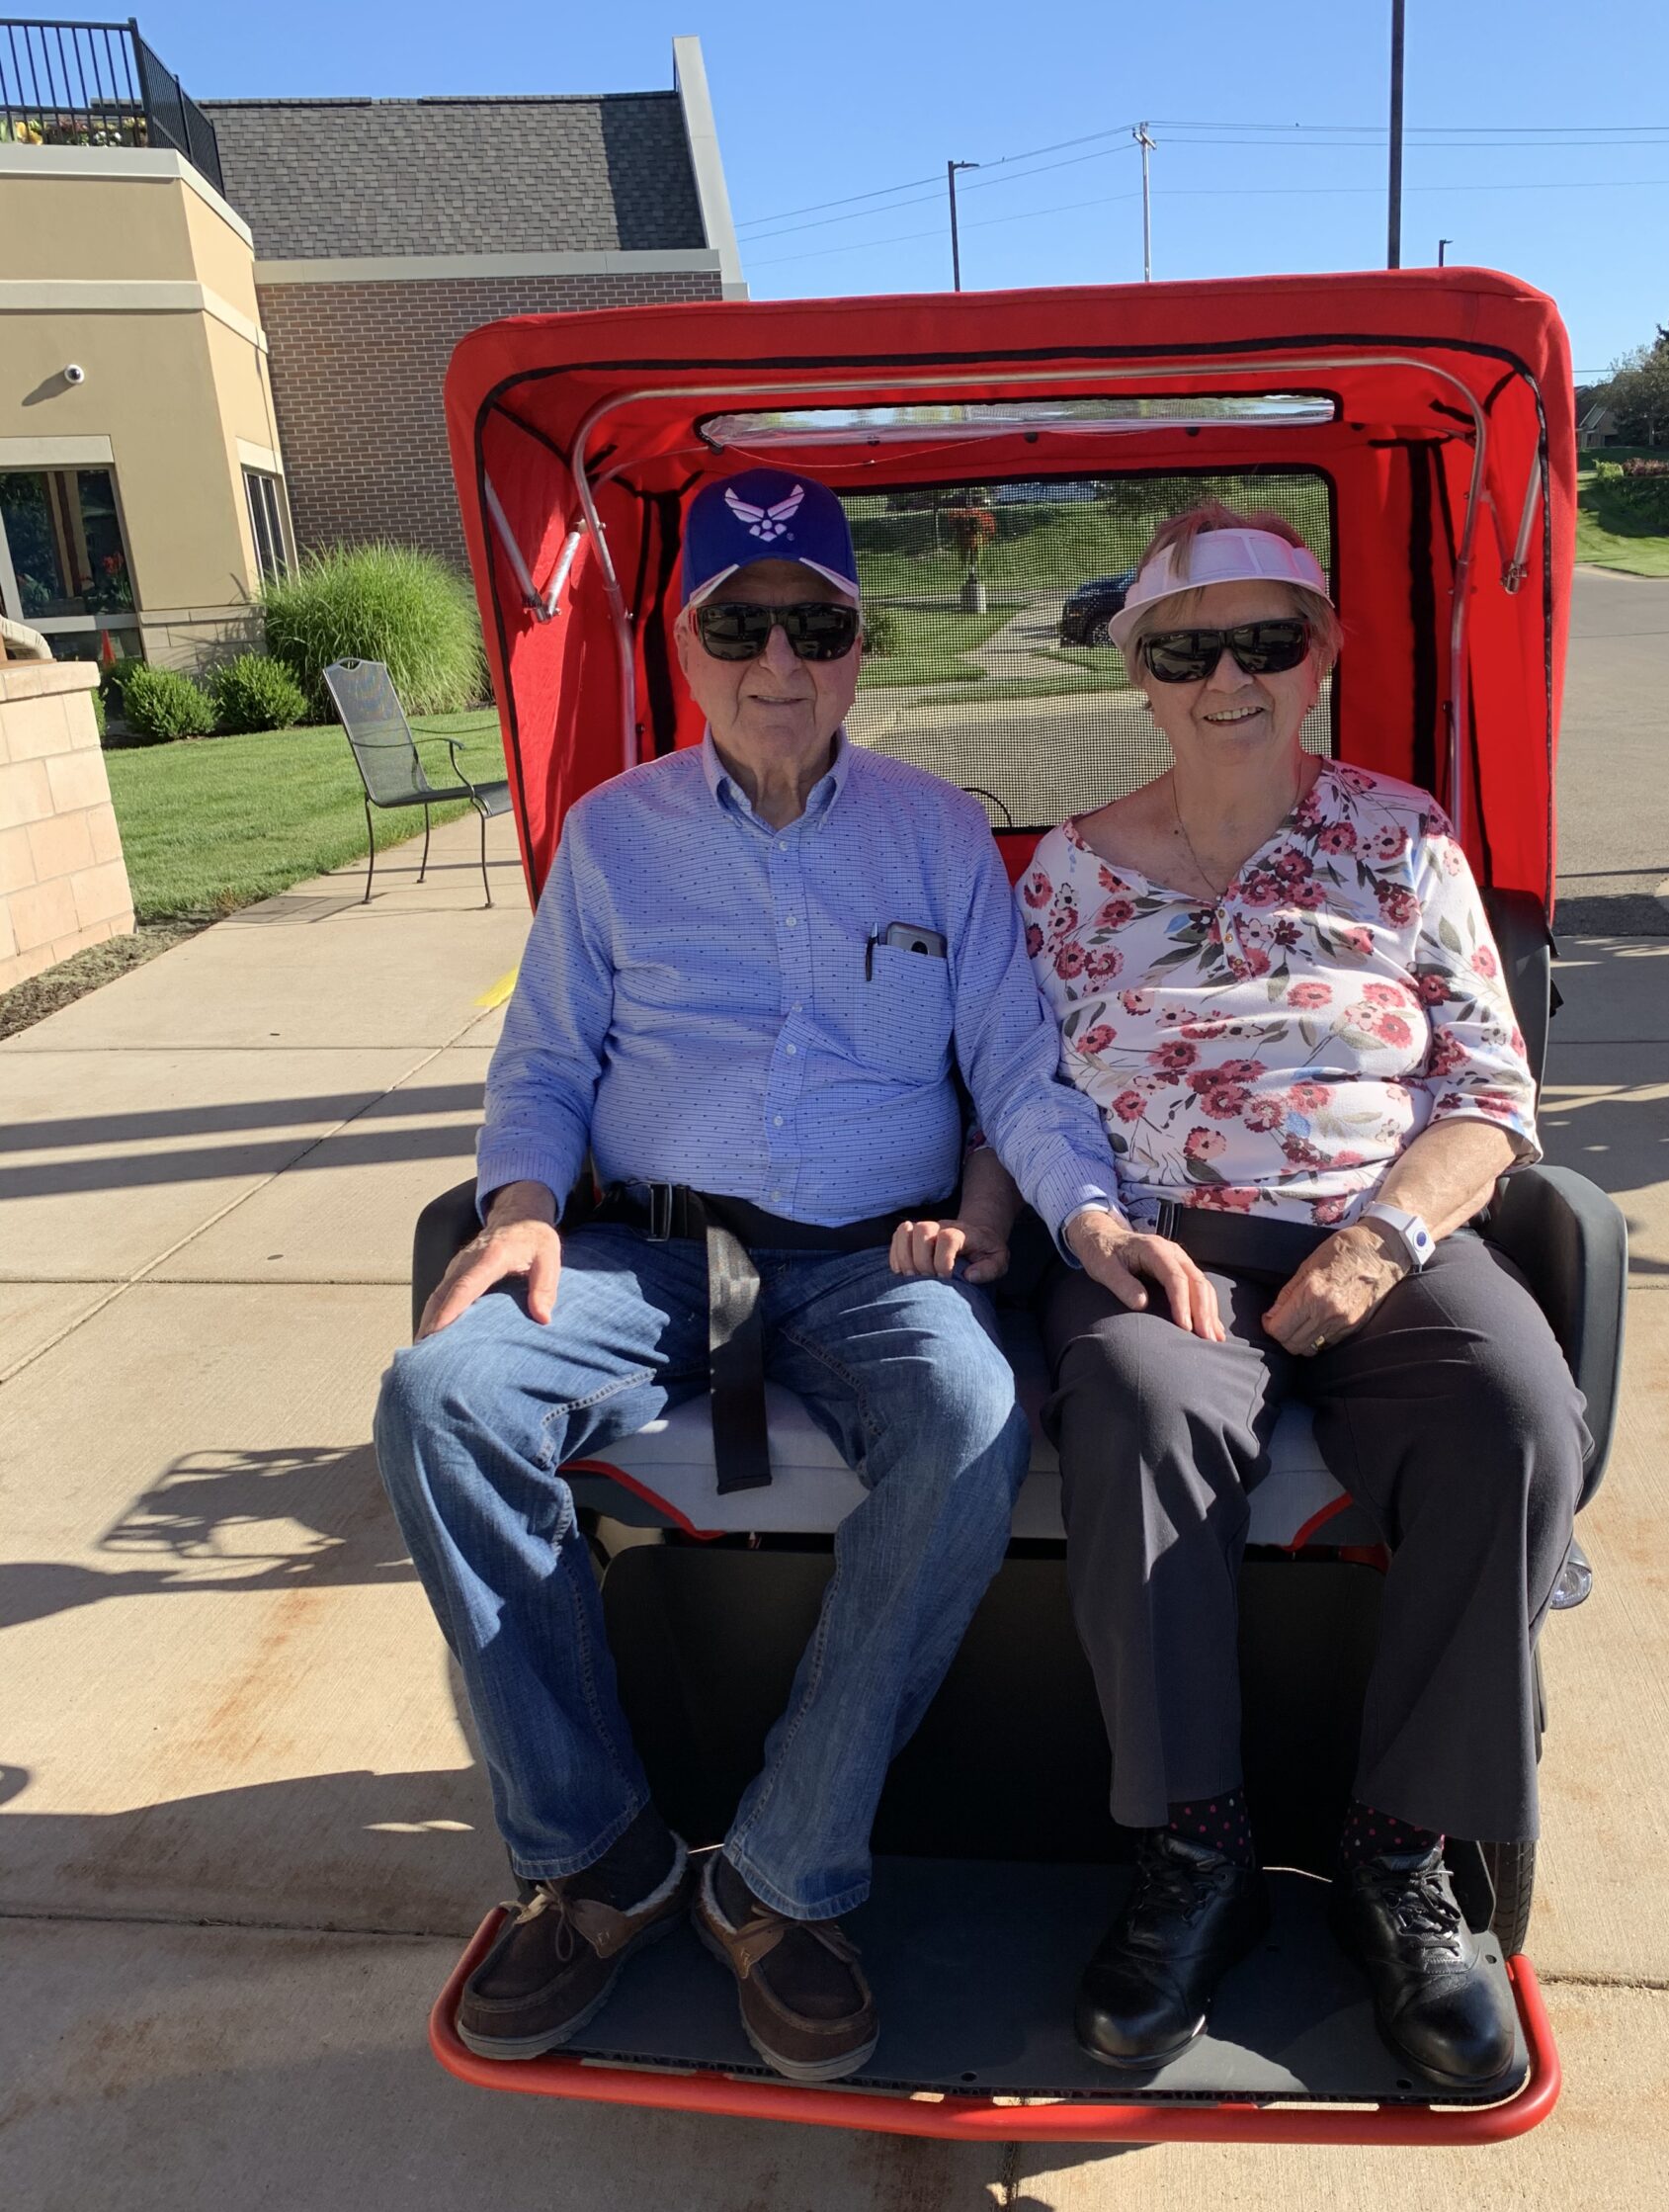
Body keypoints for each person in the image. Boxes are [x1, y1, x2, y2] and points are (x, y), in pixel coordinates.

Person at [376, 468, 1211, 2084]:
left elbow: (1017, 1073)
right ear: (686, 644)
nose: (780, 659)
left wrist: (1085, 1220)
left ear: (856, 642)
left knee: (975, 1409)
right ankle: (599, 1857)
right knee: (441, 1397)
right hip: (645, 1255)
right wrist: (527, 1204)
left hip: (873, 1262)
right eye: (740, 622)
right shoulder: (614, 840)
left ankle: (780, 1877)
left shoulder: (940, 833)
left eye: (814, 623)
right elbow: (542, 1063)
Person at [889, 504, 1587, 2088]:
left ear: (1321, 658)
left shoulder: (1401, 838)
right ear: (1139, 672)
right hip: (1159, 1243)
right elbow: (1025, 1080)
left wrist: (1382, 1241)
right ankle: (1195, 1856)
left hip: (1385, 1231)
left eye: (1268, 642)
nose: (1230, 678)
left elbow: (1488, 1087)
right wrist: (1057, 1228)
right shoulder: (1065, 876)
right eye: (1189, 648)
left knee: (1519, 1411)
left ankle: (1402, 1859)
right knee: (1136, 1399)